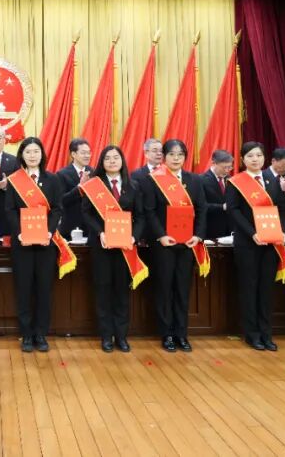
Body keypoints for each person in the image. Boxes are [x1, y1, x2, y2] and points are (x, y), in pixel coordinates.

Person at [144, 139, 207, 352]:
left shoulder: (194, 180)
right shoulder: (154, 179)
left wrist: (198, 236)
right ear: (164, 157)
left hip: (187, 244)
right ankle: (167, 334)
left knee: (182, 289)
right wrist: (161, 236)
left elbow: (202, 209)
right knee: (164, 289)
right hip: (164, 245)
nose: (176, 158)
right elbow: (149, 211)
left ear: (185, 157)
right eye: (171, 154)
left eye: (180, 154)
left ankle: (182, 334)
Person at [81, 144, 144, 353]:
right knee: (103, 290)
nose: (112, 161)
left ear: (122, 161)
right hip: (102, 246)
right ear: (102, 162)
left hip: (125, 247)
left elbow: (141, 216)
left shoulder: (133, 186)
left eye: (115, 157)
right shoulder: (94, 185)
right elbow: (86, 213)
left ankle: (122, 336)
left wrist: (134, 236)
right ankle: (106, 336)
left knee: (122, 292)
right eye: (107, 158)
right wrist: (100, 232)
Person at [3, 136, 62, 352]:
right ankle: (26, 335)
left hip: (46, 244)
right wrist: (19, 233)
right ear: (22, 155)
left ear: (42, 154)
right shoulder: (14, 180)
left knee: (44, 290)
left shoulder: (53, 179)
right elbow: (9, 210)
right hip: (22, 244)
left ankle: (41, 334)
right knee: (24, 289)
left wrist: (49, 231)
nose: (32, 155)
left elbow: (57, 208)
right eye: (28, 152)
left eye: (36, 151)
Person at [226, 142, 285, 352]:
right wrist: (252, 233)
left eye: (259, 155)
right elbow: (233, 211)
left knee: (266, 289)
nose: (255, 159)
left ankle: (266, 334)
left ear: (264, 158)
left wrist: (281, 231)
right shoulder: (236, 182)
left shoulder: (272, 180)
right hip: (247, 243)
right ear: (243, 159)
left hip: (270, 243)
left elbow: (280, 208)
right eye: (250, 156)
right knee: (249, 288)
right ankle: (252, 335)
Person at [56, 137, 92, 241]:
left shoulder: (94, 172)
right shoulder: (62, 174)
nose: (87, 156)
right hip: (70, 228)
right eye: (83, 153)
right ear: (73, 154)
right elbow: (61, 200)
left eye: (89, 153)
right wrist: (79, 188)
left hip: (90, 228)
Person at [130, 138, 164, 246]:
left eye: (161, 151)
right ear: (146, 153)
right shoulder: (136, 175)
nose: (159, 153)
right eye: (155, 150)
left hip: (164, 226)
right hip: (144, 227)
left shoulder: (169, 173)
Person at [200, 150, 234, 239]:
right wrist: (222, 207)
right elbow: (201, 206)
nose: (227, 171)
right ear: (214, 163)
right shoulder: (201, 180)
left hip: (230, 230)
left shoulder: (231, 179)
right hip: (211, 230)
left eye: (230, 167)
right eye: (224, 167)